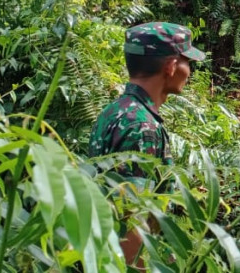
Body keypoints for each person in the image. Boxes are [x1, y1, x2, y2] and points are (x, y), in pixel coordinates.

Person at [88, 21, 205, 268]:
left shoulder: (114, 111)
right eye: (187, 62)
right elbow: (132, 223)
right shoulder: (142, 127)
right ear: (171, 66)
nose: (189, 71)